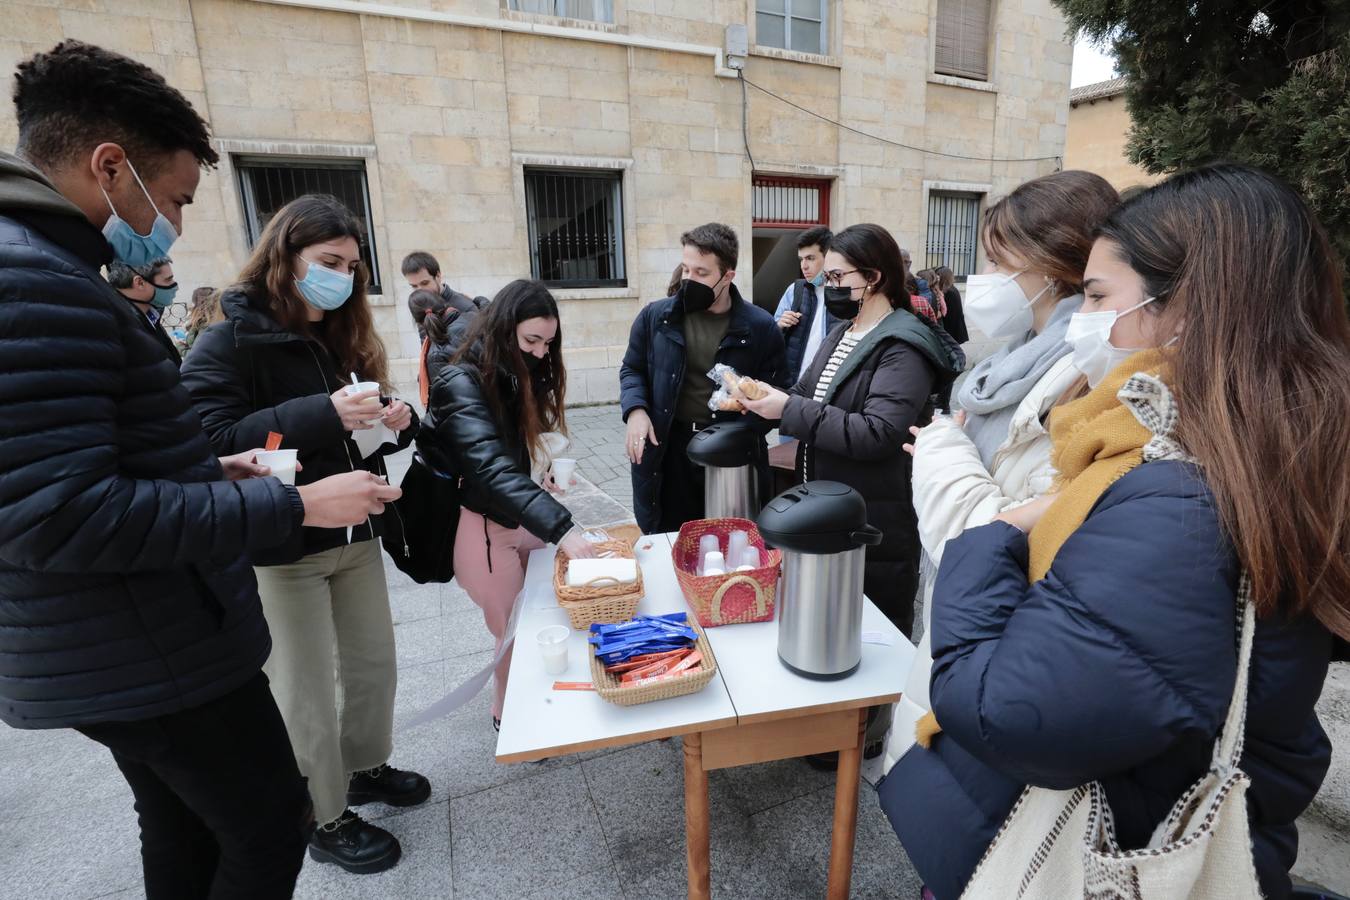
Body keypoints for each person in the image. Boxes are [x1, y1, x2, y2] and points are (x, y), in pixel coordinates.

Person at [880, 164, 1349, 900]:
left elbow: (1012, 714)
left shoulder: (1178, 499)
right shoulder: (1252, 456)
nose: (1085, 322)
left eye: (1098, 297)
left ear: (1187, 305)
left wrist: (988, 539)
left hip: (1102, 849)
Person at [0, 40, 398, 900]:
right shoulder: (37, 283)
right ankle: (331, 811)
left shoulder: (58, 269)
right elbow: (56, 514)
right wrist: (284, 502)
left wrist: (210, 467)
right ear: (111, 167)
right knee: (264, 825)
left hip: (142, 634)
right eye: (175, 197)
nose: (175, 222)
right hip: (145, 641)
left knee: (184, 826)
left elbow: (109, 452)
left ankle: (357, 780)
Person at [180, 194, 427, 876]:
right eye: (328, 262)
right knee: (306, 688)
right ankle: (322, 814)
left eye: (352, 264)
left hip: (355, 535)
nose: (343, 277)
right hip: (280, 546)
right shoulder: (227, 338)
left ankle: (364, 768)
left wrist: (387, 425)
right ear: (283, 258)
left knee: (373, 666)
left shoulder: (341, 335)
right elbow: (209, 448)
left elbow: (350, 438)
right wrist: (321, 411)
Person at [883, 170, 1120, 774]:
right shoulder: (1016, 353)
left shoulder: (1084, 369)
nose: (981, 278)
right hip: (961, 610)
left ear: (1053, 261)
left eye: (996, 260)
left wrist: (943, 450)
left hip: (1001, 626)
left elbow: (1005, 531)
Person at [740, 223, 962, 637]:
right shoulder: (846, 331)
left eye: (838, 277)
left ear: (874, 277)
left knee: (870, 640)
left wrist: (788, 408)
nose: (831, 287)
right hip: (830, 509)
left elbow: (878, 432)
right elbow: (806, 393)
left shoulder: (901, 345)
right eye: (829, 278)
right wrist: (762, 396)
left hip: (872, 522)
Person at [420, 279, 598, 730]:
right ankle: (510, 716)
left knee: (545, 620)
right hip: (483, 529)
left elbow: (516, 457)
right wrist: (564, 528)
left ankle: (548, 702)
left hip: (523, 518)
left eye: (548, 342)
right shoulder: (459, 381)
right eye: (531, 340)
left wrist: (544, 477)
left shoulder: (520, 371)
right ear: (503, 329)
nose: (541, 352)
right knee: (511, 635)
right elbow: (489, 468)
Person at [619, 223, 787, 534]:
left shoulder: (761, 326)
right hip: (670, 448)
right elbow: (632, 369)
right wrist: (636, 411)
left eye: (701, 273)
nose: (689, 280)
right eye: (686, 269)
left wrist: (750, 417)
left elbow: (780, 392)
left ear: (728, 276)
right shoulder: (656, 317)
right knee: (671, 538)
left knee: (730, 542)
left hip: (732, 452)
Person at [772, 226, 840, 384]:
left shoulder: (845, 293)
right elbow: (771, 337)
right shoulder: (795, 290)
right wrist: (780, 325)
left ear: (828, 257)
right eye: (801, 259)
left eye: (810, 258)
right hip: (792, 385)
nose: (804, 266)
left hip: (827, 387)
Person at [107, 256, 181, 364]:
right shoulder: (119, 327)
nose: (175, 286)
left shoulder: (151, 316)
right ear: (139, 283)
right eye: (168, 280)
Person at [402, 249, 482, 338]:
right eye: (414, 286)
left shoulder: (465, 306)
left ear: (438, 276)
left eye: (425, 283)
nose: (420, 290)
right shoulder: (421, 304)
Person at [932, 265, 967, 344]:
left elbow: (949, 315)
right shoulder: (951, 288)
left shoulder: (949, 292)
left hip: (952, 328)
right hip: (955, 327)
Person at [182, 285, 223, 352]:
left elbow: (198, 355)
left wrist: (180, 347)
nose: (191, 307)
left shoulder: (206, 325)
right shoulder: (206, 322)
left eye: (194, 303)